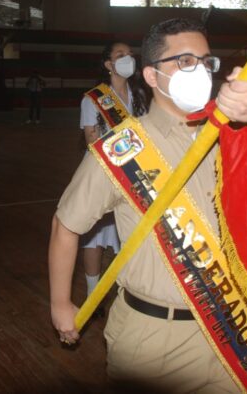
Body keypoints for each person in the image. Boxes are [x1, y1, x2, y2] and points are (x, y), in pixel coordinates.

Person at [49, 18, 247, 392]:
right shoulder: (124, 149)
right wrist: (60, 304)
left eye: (205, 61)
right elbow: (66, 225)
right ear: (150, 76)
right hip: (154, 342)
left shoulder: (233, 133)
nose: (199, 71)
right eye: (184, 62)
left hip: (234, 333)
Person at [79, 42, 149, 308]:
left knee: (129, 232)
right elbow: (91, 140)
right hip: (101, 171)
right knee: (94, 236)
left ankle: (127, 290)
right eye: (121, 55)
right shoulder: (93, 98)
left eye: (130, 54)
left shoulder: (140, 96)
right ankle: (92, 295)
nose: (128, 59)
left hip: (132, 173)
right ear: (109, 65)